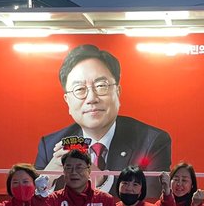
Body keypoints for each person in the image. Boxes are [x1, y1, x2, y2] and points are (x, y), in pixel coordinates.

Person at [35, 44, 172, 195]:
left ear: (118, 91)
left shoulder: (151, 142)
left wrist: (101, 180)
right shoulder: (50, 146)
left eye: (101, 86)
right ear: (67, 101)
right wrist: (47, 180)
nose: (92, 98)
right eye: (80, 89)